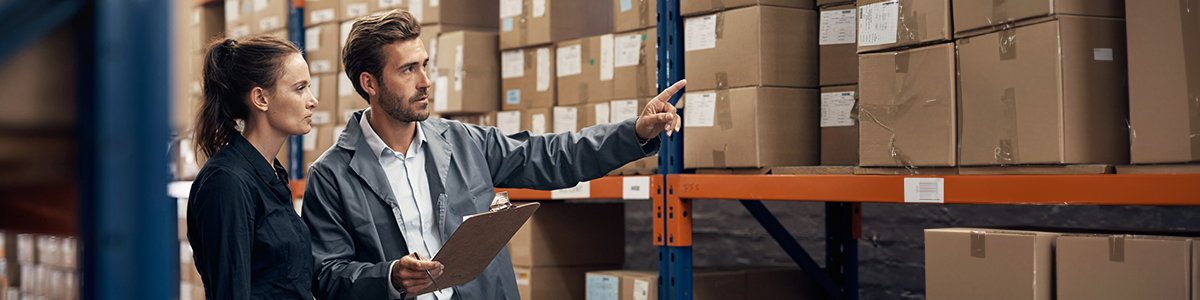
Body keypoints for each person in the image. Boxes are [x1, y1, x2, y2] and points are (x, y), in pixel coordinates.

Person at [301, 9, 684, 300]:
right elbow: (326, 275)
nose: (425, 81)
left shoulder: (464, 141)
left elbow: (553, 157)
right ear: (369, 83)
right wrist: (389, 277)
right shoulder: (332, 174)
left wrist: (633, 132)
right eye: (408, 70)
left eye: (425, 66)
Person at [187, 35, 319, 299]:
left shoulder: (271, 173)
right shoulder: (227, 182)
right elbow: (232, 291)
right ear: (260, 98)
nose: (312, 100)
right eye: (299, 88)